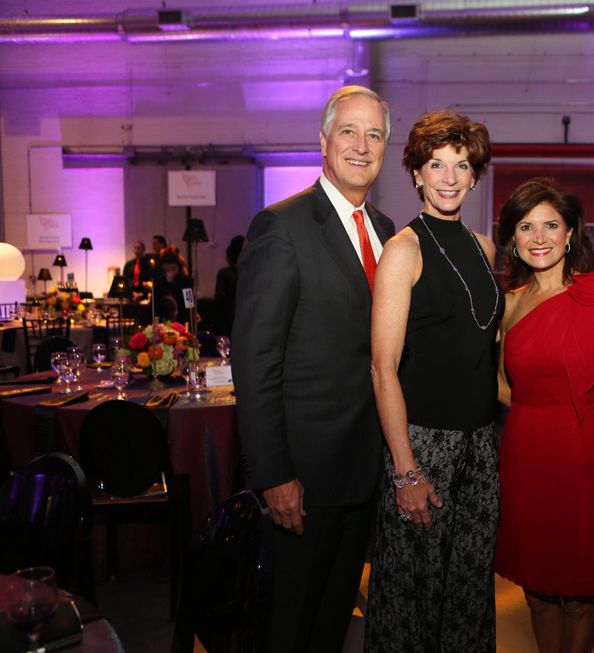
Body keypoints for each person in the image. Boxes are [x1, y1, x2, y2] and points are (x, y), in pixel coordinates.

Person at [233, 85, 395, 652]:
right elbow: (255, 362)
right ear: (323, 141)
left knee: (331, 626)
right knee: (289, 627)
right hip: (302, 477)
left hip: (365, 473)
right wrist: (275, 474)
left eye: (374, 134)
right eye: (349, 131)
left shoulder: (387, 229)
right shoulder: (282, 227)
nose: (361, 144)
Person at [365, 109, 499, 652]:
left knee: (468, 593)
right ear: (416, 174)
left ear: (474, 175)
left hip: (482, 447)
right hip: (423, 447)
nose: (448, 177)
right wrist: (405, 471)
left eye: (461, 165)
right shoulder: (404, 250)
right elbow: (382, 368)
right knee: (413, 599)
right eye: (435, 164)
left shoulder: (486, 248)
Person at [495, 178, 594, 653]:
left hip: (586, 462)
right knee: (536, 592)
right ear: (512, 237)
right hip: (527, 460)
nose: (539, 237)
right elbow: (502, 387)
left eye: (551, 224)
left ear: (571, 233)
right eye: (526, 226)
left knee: (577, 595)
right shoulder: (508, 306)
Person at [212, 235, 244, 337]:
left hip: (227, 318)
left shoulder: (224, 273)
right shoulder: (251, 272)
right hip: (246, 316)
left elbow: (217, 298)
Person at [152, 250, 192, 324]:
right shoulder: (159, 282)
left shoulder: (186, 281)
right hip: (162, 322)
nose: (170, 272)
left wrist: (172, 283)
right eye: (167, 270)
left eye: (173, 269)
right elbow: (155, 305)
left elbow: (189, 303)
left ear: (178, 267)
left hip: (182, 321)